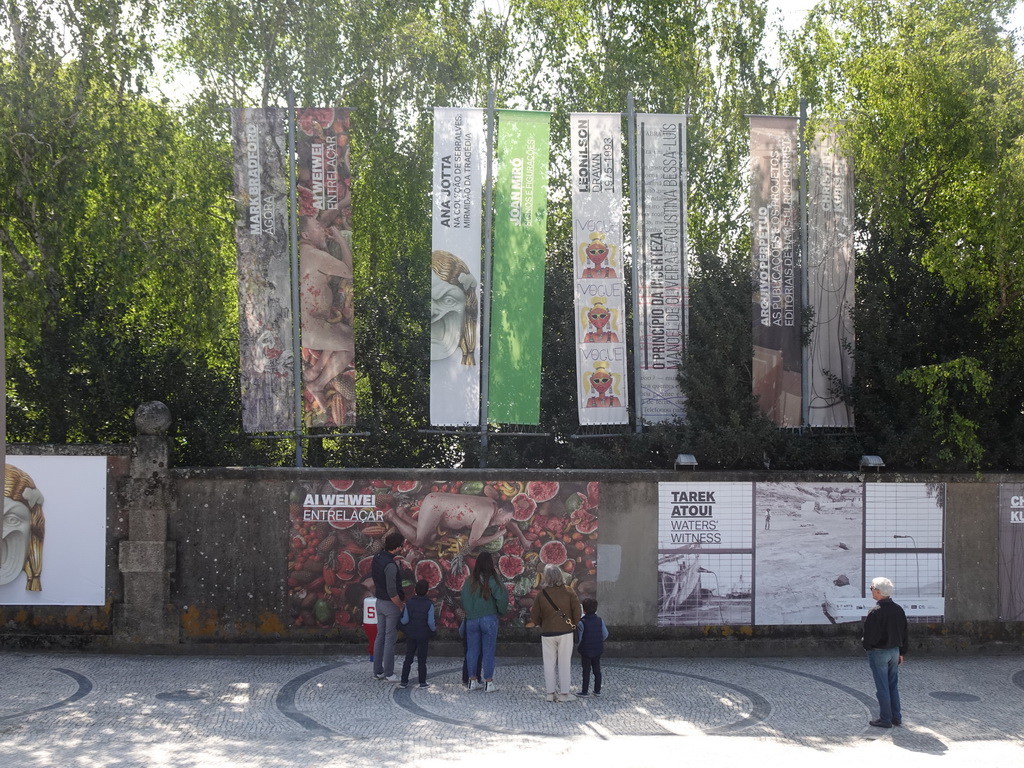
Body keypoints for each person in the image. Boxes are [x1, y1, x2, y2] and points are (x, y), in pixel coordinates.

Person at [530, 564, 583, 702]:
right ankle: (564, 694)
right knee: (564, 662)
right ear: (560, 575)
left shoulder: (542, 594)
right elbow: (577, 611)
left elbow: (534, 616)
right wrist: (572, 624)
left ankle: (550, 693)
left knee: (549, 663)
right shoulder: (569, 591)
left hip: (547, 633)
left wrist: (544, 624)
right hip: (566, 632)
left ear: (546, 577)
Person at [862, 576, 908, 728]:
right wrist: (902, 652)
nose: (871, 591)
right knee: (892, 685)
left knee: (882, 687)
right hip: (895, 651)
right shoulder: (898, 609)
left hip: (879, 652)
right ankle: (896, 716)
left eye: (872, 589)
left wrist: (867, 647)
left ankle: (885, 719)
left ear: (878, 591)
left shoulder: (875, 612)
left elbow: (869, 636)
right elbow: (904, 632)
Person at [460, 552, 508, 692]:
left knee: (472, 651)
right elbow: (502, 598)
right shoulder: (493, 580)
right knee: (488, 651)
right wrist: (500, 611)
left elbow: (464, 599)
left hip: (472, 620)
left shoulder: (469, 581)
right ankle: (488, 682)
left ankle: (472, 681)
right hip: (489, 618)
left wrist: (470, 612)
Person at [372, 533, 406, 682]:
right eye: (402, 545)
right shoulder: (391, 566)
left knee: (380, 637)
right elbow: (392, 591)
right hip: (390, 604)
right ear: (397, 547)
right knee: (390, 639)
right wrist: (400, 606)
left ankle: (377, 671)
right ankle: (389, 673)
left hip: (378, 602)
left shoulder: (377, 557)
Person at [399, 579, 436, 689]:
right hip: (423, 635)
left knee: (408, 658)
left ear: (415, 590)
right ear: (427, 591)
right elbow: (430, 622)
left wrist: (400, 623)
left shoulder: (409, 603)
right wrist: (434, 630)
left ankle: (404, 681)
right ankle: (422, 682)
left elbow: (405, 620)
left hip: (411, 634)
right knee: (422, 659)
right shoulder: (429, 604)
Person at [575, 598, 608, 697]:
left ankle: (584, 691)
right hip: (597, 648)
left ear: (583, 610)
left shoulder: (582, 622)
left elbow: (579, 637)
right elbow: (605, 634)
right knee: (597, 669)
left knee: (586, 670)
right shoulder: (600, 620)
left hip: (585, 649)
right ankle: (597, 690)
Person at [362, 591, 377, 662]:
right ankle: (376, 656)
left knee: (371, 640)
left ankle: (372, 656)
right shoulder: (378, 600)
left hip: (367, 623)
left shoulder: (366, 601)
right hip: (376, 622)